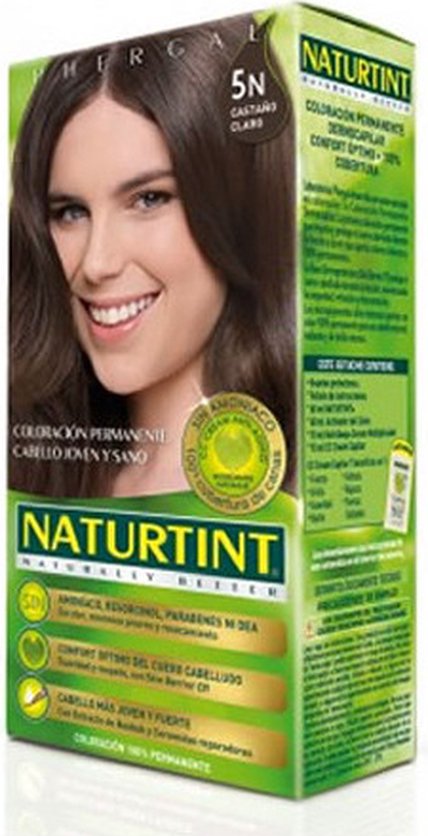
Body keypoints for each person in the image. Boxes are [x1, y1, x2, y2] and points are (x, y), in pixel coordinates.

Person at [9, 14, 296, 498]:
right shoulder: (33, 473)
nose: (96, 263)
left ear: (240, 207)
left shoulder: (293, 499)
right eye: (70, 212)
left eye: (149, 199)